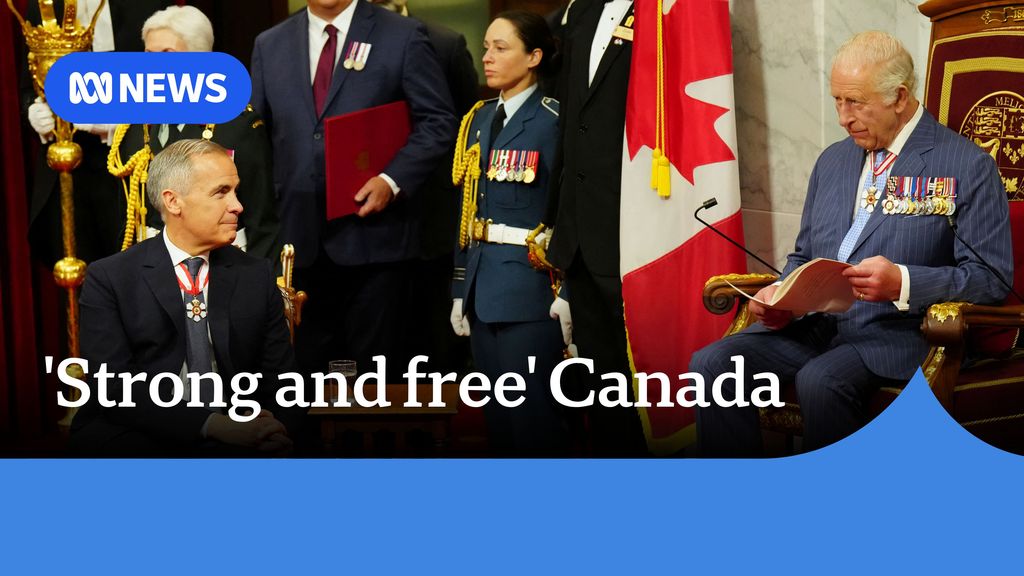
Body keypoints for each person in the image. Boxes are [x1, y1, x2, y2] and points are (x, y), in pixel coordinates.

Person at [691, 31, 1014, 456]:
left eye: (856, 102)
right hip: (817, 326)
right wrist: (779, 297)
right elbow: (804, 255)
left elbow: (990, 280)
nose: (844, 117)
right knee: (711, 365)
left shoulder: (967, 165)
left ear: (899, 97)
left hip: (898, 334)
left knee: (819, 380)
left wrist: (901, 281)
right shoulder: (833, 160)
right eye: (838, 101)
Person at [250, 0, 456, 380]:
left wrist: (392, 180)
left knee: (376, 375)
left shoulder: (403, 34)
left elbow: (438, 121)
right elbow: (256, 136)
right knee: (301, 376)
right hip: (296, 244)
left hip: (378, 239)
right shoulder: (269, 43)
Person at [71, 139, 299, 456]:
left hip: (241, 426)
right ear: (173, 202)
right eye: (221, 192)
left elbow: (282, 382)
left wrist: (273, 428)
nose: (237, 206)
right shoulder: (110, 278)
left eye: (235, 191)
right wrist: (215, 426)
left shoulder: (255, 275)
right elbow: (114, 389)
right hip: (137, 429)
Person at [450, 11, 568, 456]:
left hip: (530, 288)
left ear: (534, 56)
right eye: (486, 47)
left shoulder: (551, 120)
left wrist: (568, 288)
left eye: (501, 48)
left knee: (534, 423)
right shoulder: (478, 119)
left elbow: (566, 213)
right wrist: (459, 287)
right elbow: (466, 212)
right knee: (497, 425)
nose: (488, 57)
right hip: (482, 287)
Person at [542, 0, 647, 456]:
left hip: (635, 227)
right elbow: (571, 120)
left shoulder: (662, 14)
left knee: (644, 386)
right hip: (582, 229)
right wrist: (556, 216)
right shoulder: (582, 13)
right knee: (600, 384)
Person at [108, 5, 280, 261]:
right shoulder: (133, 122)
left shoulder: (235, 123)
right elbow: (128, 213)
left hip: (222, 263)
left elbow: (261, 218)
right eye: (148, 55)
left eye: (167, 54)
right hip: (152, 264)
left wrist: (265, 286)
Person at [22, 0, 173, 265]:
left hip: (132, 165)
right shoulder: (45, 8)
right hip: (68, 170)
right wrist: (34, 112)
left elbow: (172, 78)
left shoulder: (150, 4)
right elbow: (30, 82)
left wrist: (122, 121)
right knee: (76, 274)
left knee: (136, 271)